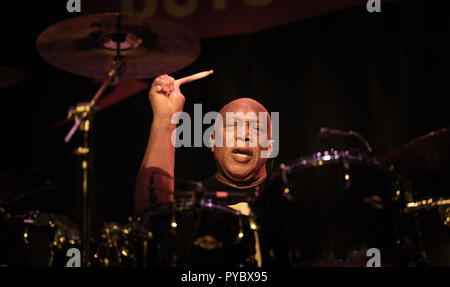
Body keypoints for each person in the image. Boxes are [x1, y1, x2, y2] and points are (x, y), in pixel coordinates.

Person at [134, 73, 273, 266]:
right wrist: (164, 118)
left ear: (270, 147)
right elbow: (148, 218)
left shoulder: (287, 198)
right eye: (233, 126)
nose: (245, 135)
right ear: (212, 140)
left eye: (256, 128)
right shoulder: (188, 198)